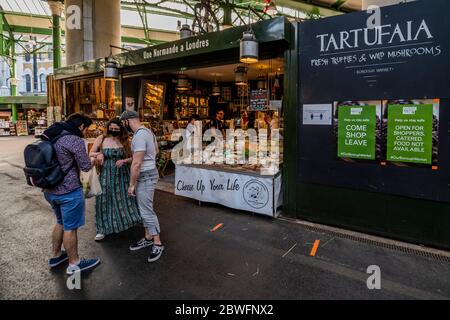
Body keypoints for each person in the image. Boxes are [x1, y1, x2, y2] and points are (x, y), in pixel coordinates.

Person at [42, 112, 100, 275]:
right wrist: (93, 160)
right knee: (70, 227)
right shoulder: (74, 140)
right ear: (81, 126)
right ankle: (74, 263)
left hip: (49, 190)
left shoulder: (51, 135)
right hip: (68, 191)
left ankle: (55, 256)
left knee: (60, 222)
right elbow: (85, 166)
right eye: (85, 128)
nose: (85, 132)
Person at [120, 110, 164, 262]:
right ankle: (148, 236)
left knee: (146, 211)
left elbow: (137, 163)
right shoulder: (148, 132)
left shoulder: (139, 135)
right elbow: (155, 151)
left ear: (126, 121)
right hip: (150, 172)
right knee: (144, 208)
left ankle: (157, 242)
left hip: (145, 176)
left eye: (122, 123)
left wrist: (132, 184)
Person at [89, 117, 142, 241]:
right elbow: (91, 153)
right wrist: (99, 154)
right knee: (103, 200)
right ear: (108, 128)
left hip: (123, 174)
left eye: (116, 129)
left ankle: (126, 221)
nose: (113, 131)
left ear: (121, 129)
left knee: (124, 198)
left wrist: (124, 160)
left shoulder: (125, 140)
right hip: (106, 174)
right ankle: (102, 229)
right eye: (111, 128)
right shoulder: (101, 139)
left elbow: (134, 158)